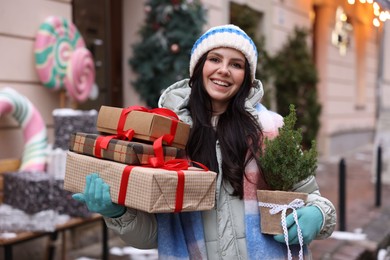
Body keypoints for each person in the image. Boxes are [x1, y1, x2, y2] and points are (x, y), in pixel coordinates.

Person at [73, 24, 336, 259]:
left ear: (246, 76)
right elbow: (154, 236)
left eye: (236, 64)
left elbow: (311, 197)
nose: (224, 70)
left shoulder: (270, 130)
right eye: (215, 59)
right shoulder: (166, 138)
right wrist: (117, 213)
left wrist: (318, 214)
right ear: (199, 67)